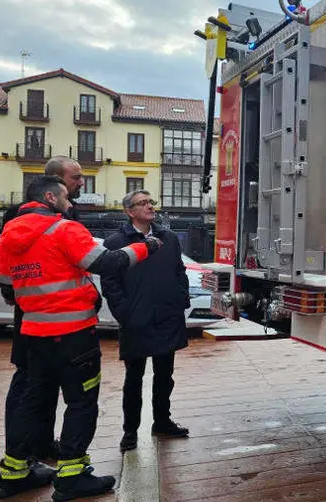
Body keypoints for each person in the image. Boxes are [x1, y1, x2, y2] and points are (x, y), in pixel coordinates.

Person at [0, 176, 161, 501]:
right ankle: (72, 476)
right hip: (73, 335)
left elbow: (8, 287)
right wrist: (146, 247)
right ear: (50, 198)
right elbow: (107, 263)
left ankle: (13, 473)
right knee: (81, 402)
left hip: (34, 336)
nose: (70, 204)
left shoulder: (9, 235)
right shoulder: (64, 229)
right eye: (66, 198)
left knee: (32, 403)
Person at [0, 157, 87, 467]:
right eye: (75, 177)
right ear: (55, 183)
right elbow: (7, 264)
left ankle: (42, 444)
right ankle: (19, 454)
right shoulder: (22, 215)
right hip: (34, 317)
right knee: (28, 385)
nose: (81, 183)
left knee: (47, 385)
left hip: (56, 319)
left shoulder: (67, 212)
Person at [102, 190, 191, 453]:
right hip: (136, 320)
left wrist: (180, 300)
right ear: (129, 211)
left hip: (167, 317)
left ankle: (162, 422)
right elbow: (110, 282)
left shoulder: (168, 238)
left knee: (165, 376)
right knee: (134, 379)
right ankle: (130, 432)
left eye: (151, 202)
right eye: (143, 203)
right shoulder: (115, 243)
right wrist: (124, 313)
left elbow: (179, 271)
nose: (150, 206)